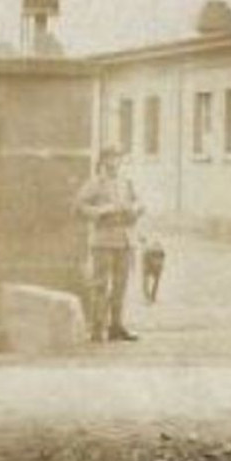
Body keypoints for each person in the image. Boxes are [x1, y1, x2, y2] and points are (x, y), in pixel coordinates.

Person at [76, 146, 144, 342]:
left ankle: (116, 326)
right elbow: (79, 206)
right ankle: (97, 328)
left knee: (120, 285)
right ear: (103, 160)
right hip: (103, 240)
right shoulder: (95, 183)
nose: (115, 162)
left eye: (118, 158)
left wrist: (136, 209)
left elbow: (139, 202)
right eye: (111, 158)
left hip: (125, 240)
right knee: (100, 284)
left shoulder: (126, 182)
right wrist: (102, 210)